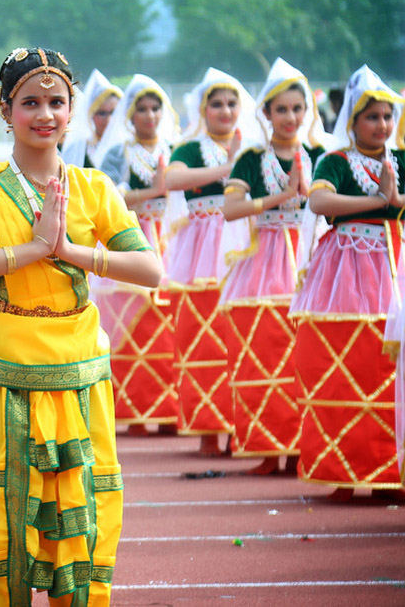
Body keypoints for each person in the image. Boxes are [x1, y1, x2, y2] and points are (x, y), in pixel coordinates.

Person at [0, 47, 162, 606]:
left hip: (76, 372)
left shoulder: (93, 188)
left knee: (80, 514)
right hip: (4, 371)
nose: (45, 114)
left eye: (56, 102)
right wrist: (29, 250)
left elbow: (150, 269)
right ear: (6, 111)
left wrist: (70, 251)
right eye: (30, 102)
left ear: (71, 109)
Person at [291, 65, 405, 501]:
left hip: (396, 264)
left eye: (386, 116)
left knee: (389, 369)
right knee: (344, 361)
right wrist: (377, 201)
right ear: (352, 121)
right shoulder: (335, 160)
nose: (381, 125)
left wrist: (394, 200)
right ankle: (339, 466)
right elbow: (318, 200)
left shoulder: (402, 159)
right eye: (371, 117)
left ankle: (388, 472)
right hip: (347, 269)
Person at [220, 58, 328, 476]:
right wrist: (279, 198)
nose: (290, 117)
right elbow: (230, 210)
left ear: (308, 112)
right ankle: (267, 449)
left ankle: (305, 448)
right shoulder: (250, 158)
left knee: (307, 358)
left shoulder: (322, 155)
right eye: (281, 109)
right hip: (262, 261)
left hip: (310, 262)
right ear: (266, 113)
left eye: (297, 109)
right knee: (261, 356)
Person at [164, 68, 259, 456]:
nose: (225, 110)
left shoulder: (256, 147)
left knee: (242, 337)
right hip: (201, 253)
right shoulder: (189, 148)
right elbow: (171, 181)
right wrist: (232, 167)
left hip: (246, 251)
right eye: (216, 103)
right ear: (203, 108)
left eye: (232, 102)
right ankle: (207, 432)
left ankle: (245, 429)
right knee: (202, 340)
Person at [94, 74, 181, 435]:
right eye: (141, 109)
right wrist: (155, 191)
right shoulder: (119, 153)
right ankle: (133, 410)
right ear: (129, 115)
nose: (149, 115)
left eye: (155, 108)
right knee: (132, 330)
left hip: (172, 241)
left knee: (169, 329)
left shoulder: (175, 150)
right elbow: (110, 198)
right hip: (133, 238)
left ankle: (170, 411)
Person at [60, 68, 122, 181]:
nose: (109, 120)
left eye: (114, 112)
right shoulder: (78, 148)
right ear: (90, 116)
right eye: (101, 113)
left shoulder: (128, 148)